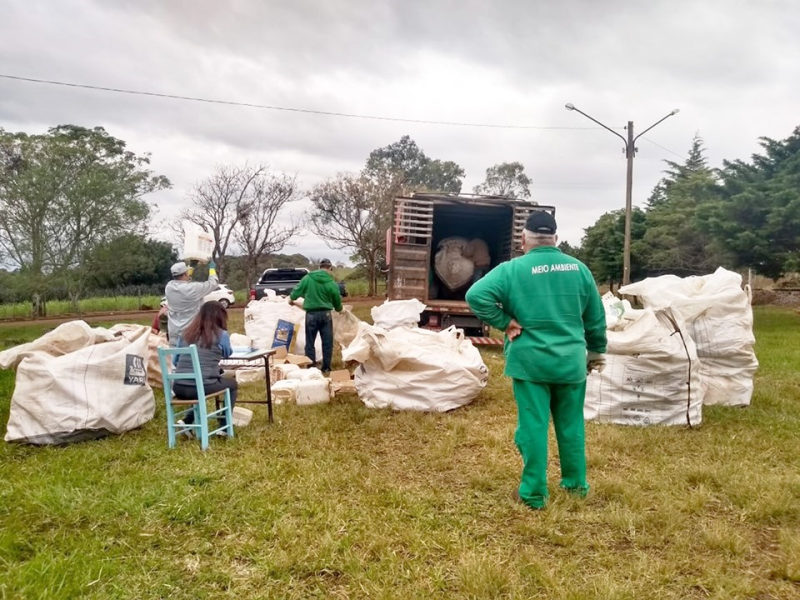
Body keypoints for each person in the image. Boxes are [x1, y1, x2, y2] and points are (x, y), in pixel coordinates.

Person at [465, 211, 607, 510]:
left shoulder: (512, 269)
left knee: (533, 427)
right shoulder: (579, 269)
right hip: (570, 363)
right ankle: (576, 486)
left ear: (523, 240)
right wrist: (595, 351)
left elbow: (476, 295)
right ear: (555, 238)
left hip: (530, 362)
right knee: (571, 426)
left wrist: (505, 321)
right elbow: (595, 317)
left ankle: (533, 494)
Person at [172, 301, 236, 435]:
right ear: (220, 317)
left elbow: (175, 361)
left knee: (198, 381)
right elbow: (227, 353)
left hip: (178, 387)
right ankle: (224, 427)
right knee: (232, 385)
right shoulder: (221, 334)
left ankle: (188, 422)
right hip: (200, 386)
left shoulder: (186, 334)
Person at [289, 258, 343, 374]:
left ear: (319, 267)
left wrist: (292, 298)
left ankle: (311, 366)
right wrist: (339, 309)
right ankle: (326, 367)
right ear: (330, 269)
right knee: (327, 342)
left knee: (310, 342)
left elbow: (296, 291)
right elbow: (336, 299)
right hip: (326, 315)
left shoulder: (308, 278)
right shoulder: (331, 282)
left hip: (311, 314)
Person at [165, 260, 219, 346]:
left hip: (174, 332)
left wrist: (191, 268)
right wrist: (212, 269)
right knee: (190, 357)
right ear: (185, 274)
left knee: (175, 358)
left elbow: (183, 280)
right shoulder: (193, 289)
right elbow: (213, 283)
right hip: (190, 333)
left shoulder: (169, 287)